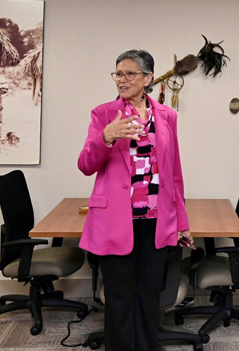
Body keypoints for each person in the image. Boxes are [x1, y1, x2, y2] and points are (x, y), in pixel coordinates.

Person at [78, 49, 192, 351]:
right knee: (118, 293)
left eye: (130, 73)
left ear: (148, 78)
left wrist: (183, 221)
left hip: (156, 219)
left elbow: (174, 173)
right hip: (116, 219)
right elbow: (85, 165)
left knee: (149, 291)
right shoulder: (103, 114)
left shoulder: (167, 116)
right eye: (118, 74)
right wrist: (107, 136)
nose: (122, 79)